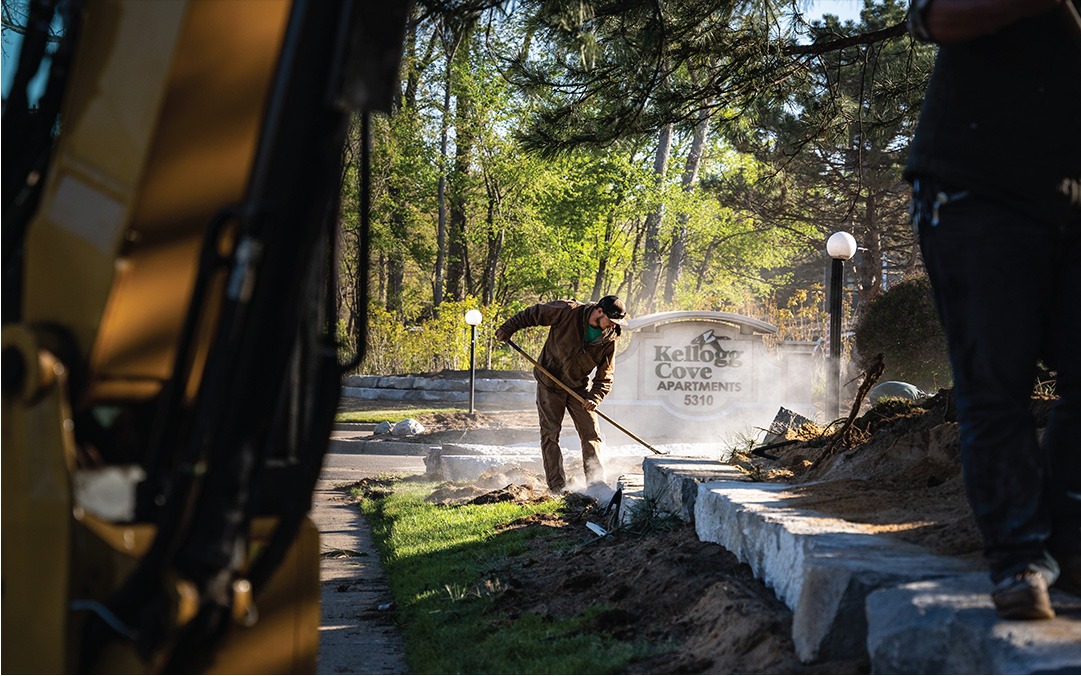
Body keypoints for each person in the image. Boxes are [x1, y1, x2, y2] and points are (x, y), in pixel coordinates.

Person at [905, 0, 1081, 619]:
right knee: (995, 384)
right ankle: (1020, 559)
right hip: (978, 187)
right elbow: (935, 17)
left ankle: (1072, 546)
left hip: (1071, 199)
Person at [494, 296, 628, 494]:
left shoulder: (610, 339)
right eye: (611, 320)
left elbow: (605, 374)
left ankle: (596, 483)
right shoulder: (568, 311)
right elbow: (534, 314)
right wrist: (508, 328)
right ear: (599, 311)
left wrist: (595, 397)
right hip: (550, 383)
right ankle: (557, 487)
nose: (613, 325)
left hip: (578, 388)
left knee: (591, 433)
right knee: (550, 434)